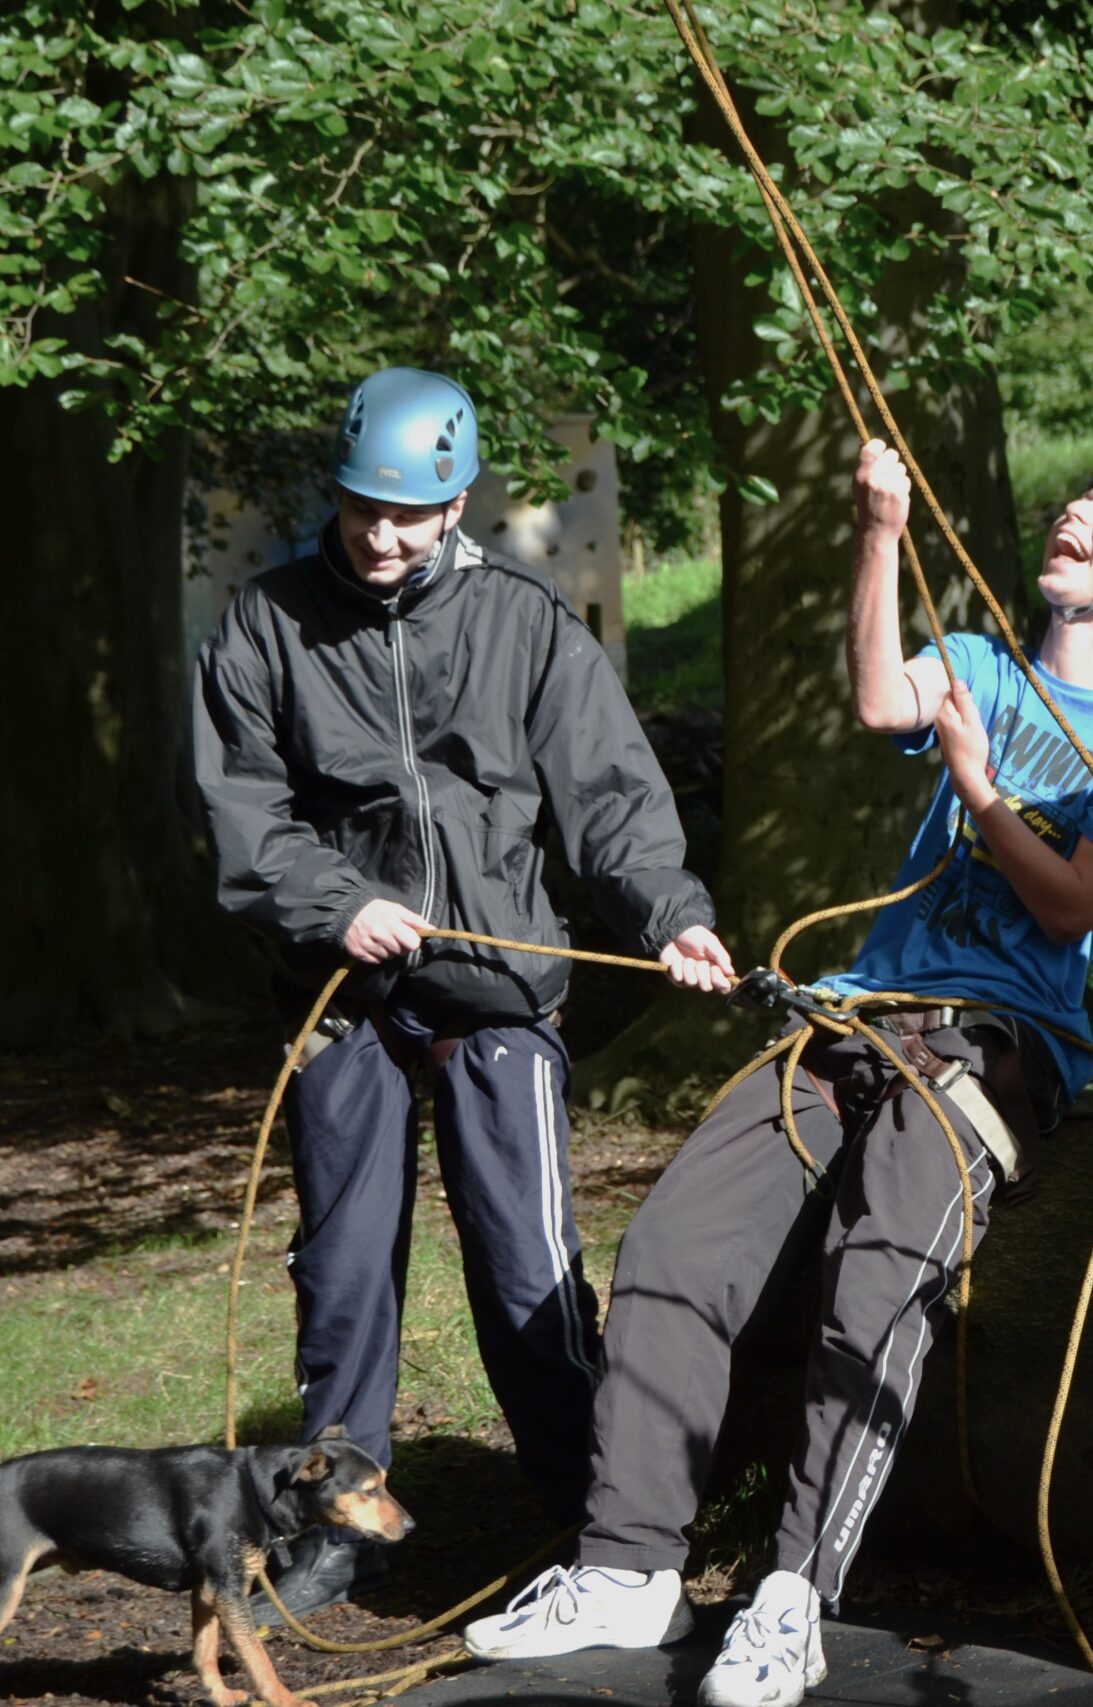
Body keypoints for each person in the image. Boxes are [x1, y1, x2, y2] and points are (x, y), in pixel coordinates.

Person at [461, 443, 1093, 1707]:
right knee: (670, 1249)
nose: (1076, 512)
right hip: (852, 1021)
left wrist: (980, 788)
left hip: (990, 1047)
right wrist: (881, 533)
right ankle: (628, 1563)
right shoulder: (980, 662)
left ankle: (794, 1595)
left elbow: (1072, 904)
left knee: (875, 1288)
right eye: (1078, 499)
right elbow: (880, 702)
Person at [194, 368, 734, 1620]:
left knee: (528, 1261)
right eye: (361, 508)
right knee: (341, 1269)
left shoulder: (526, 621)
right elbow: (242, 812)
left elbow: (610, 796)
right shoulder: (267, 623)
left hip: (500, 987)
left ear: (455, 504)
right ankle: (335, 1532)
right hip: (342, 991)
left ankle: (596, 1511)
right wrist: (338, 904)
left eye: (411, 512)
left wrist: (673, 916)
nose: (381, 536)